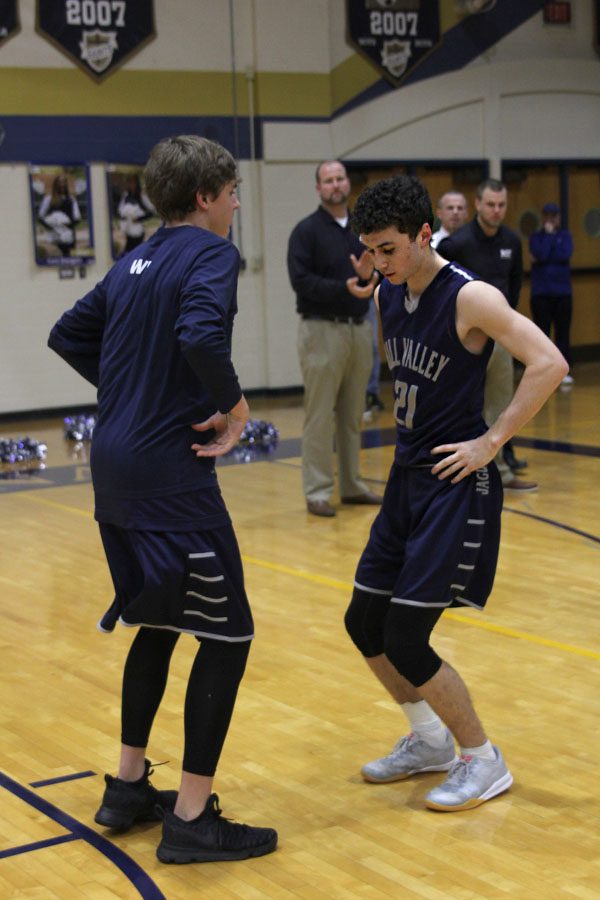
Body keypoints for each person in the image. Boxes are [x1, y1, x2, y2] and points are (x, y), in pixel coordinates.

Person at [47, 135, 277, 864]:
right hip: (167, 479)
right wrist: (235, 409)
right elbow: (203, 335)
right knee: (229, 634)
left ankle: (125, 788)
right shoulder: (210, 254)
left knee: (158, 621)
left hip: (112, 467)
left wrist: (131, 392)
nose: (237, 203)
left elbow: (67, 334)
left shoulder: (133, 260)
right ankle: (190, 817)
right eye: (233, 191)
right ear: (205, 197)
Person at [344, 175, 567, 812]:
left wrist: (491, 442)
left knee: (409, 635)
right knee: (365, 622)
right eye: (370, 251)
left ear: (422, 236)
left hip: (455, 486)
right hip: (406, 478)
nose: (378, 264)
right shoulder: (389, 295)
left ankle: (482, 757)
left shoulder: (472, 297)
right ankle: (430, 741)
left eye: (388, 249)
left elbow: (549, 362)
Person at [287, 160, 383, 517]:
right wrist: (342, 288)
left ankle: (352, 485)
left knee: (352, 413)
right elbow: (301, 282)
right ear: (318, 189)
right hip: (321, 330)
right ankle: (317, 490)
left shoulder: (362, 230)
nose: (335, 185)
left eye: (339, 178)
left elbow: (379, 272)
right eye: (327, 180)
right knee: (320, 414)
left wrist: (369, 278)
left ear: (348, 183)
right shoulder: (306, 231)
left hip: (360, 330)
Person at [438, 179, 535, 488]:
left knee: (501, 403)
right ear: (477, 204)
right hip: (466, 341)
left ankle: (499, 472)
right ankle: (461, 470)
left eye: (501, 205)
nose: (496, 210)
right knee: (466, 404)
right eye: (490, 204)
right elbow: (442, 291)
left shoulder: (511, 240)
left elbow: (516, 283)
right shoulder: (457, 243)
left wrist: (504, 324)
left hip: (501, 338)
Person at [529, 202, 574, 388]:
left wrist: (547, 252)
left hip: (563, 293)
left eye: (554, 215)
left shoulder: (566, 236)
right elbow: (541, 254)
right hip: (541, 293)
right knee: (542, 333)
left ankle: (562, 372)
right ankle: (543, 371)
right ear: (543, 217)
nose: (551, 219)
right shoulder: (536, 237)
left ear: (558, 217)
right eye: (547, 215)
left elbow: (565, 255)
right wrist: (548, 238)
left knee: (562, 332)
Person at [38, 173, 81, 257]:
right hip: (54, 237)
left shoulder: (71, 199)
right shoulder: (49, 199)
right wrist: (51, 226)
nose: (62, 185)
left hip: (68, 237)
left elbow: (77, 218)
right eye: (59, 182)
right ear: (55, 185)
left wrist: (67, 225)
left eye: (63, 182)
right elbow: (40, 217)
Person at [117, 172, 156, 255]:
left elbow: (152, 212)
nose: (130, 184)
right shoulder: (126, 196)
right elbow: (120, 210)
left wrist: (139, 219)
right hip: (127, 230)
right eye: (129, 182)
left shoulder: (141, 196)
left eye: (132, 182)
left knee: (135, 252)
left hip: (137, 232)